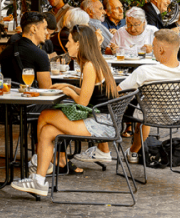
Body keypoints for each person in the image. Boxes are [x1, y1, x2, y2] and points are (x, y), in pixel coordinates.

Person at [11, 25, 121, 196]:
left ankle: (41, 162)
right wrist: (69, 86)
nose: (66, 45)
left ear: (79, 44)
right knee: (47, 131)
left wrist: (69, 91)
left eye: (69, 41)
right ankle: (39, 180)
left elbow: (83, 103)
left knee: (45, 115)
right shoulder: (97, 61)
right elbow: (91, 93)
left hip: (101, 124)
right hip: (104, 120)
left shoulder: (90, 66)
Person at [115, 29, 180, 163]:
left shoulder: (145, 71)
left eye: (153, 46)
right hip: (178, 116)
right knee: (146, 108)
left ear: (160, 50)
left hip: (149, 117)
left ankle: (133, 152)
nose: (152, 49)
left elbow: (118, 92)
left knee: (141, 108)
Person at [0, 12, 54, 89]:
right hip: (28, 99)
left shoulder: (6, 51)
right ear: (34, 29)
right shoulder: (40, 55)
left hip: (5, 97)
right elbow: (47, 90)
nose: (47, 32)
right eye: (44, 28)